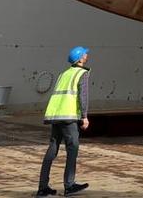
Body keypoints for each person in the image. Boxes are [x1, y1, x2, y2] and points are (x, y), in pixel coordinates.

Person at [37, 46, 91, 196]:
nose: (87, 55)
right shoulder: (82, 73)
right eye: (85, 54)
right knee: (72, 148)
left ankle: (42, 187)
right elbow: (83, 96)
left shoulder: (63, 74)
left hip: (56, 116)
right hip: (69, 117)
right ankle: (69, 185)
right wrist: (84, 116)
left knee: (52, 149)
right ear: (80, 58)